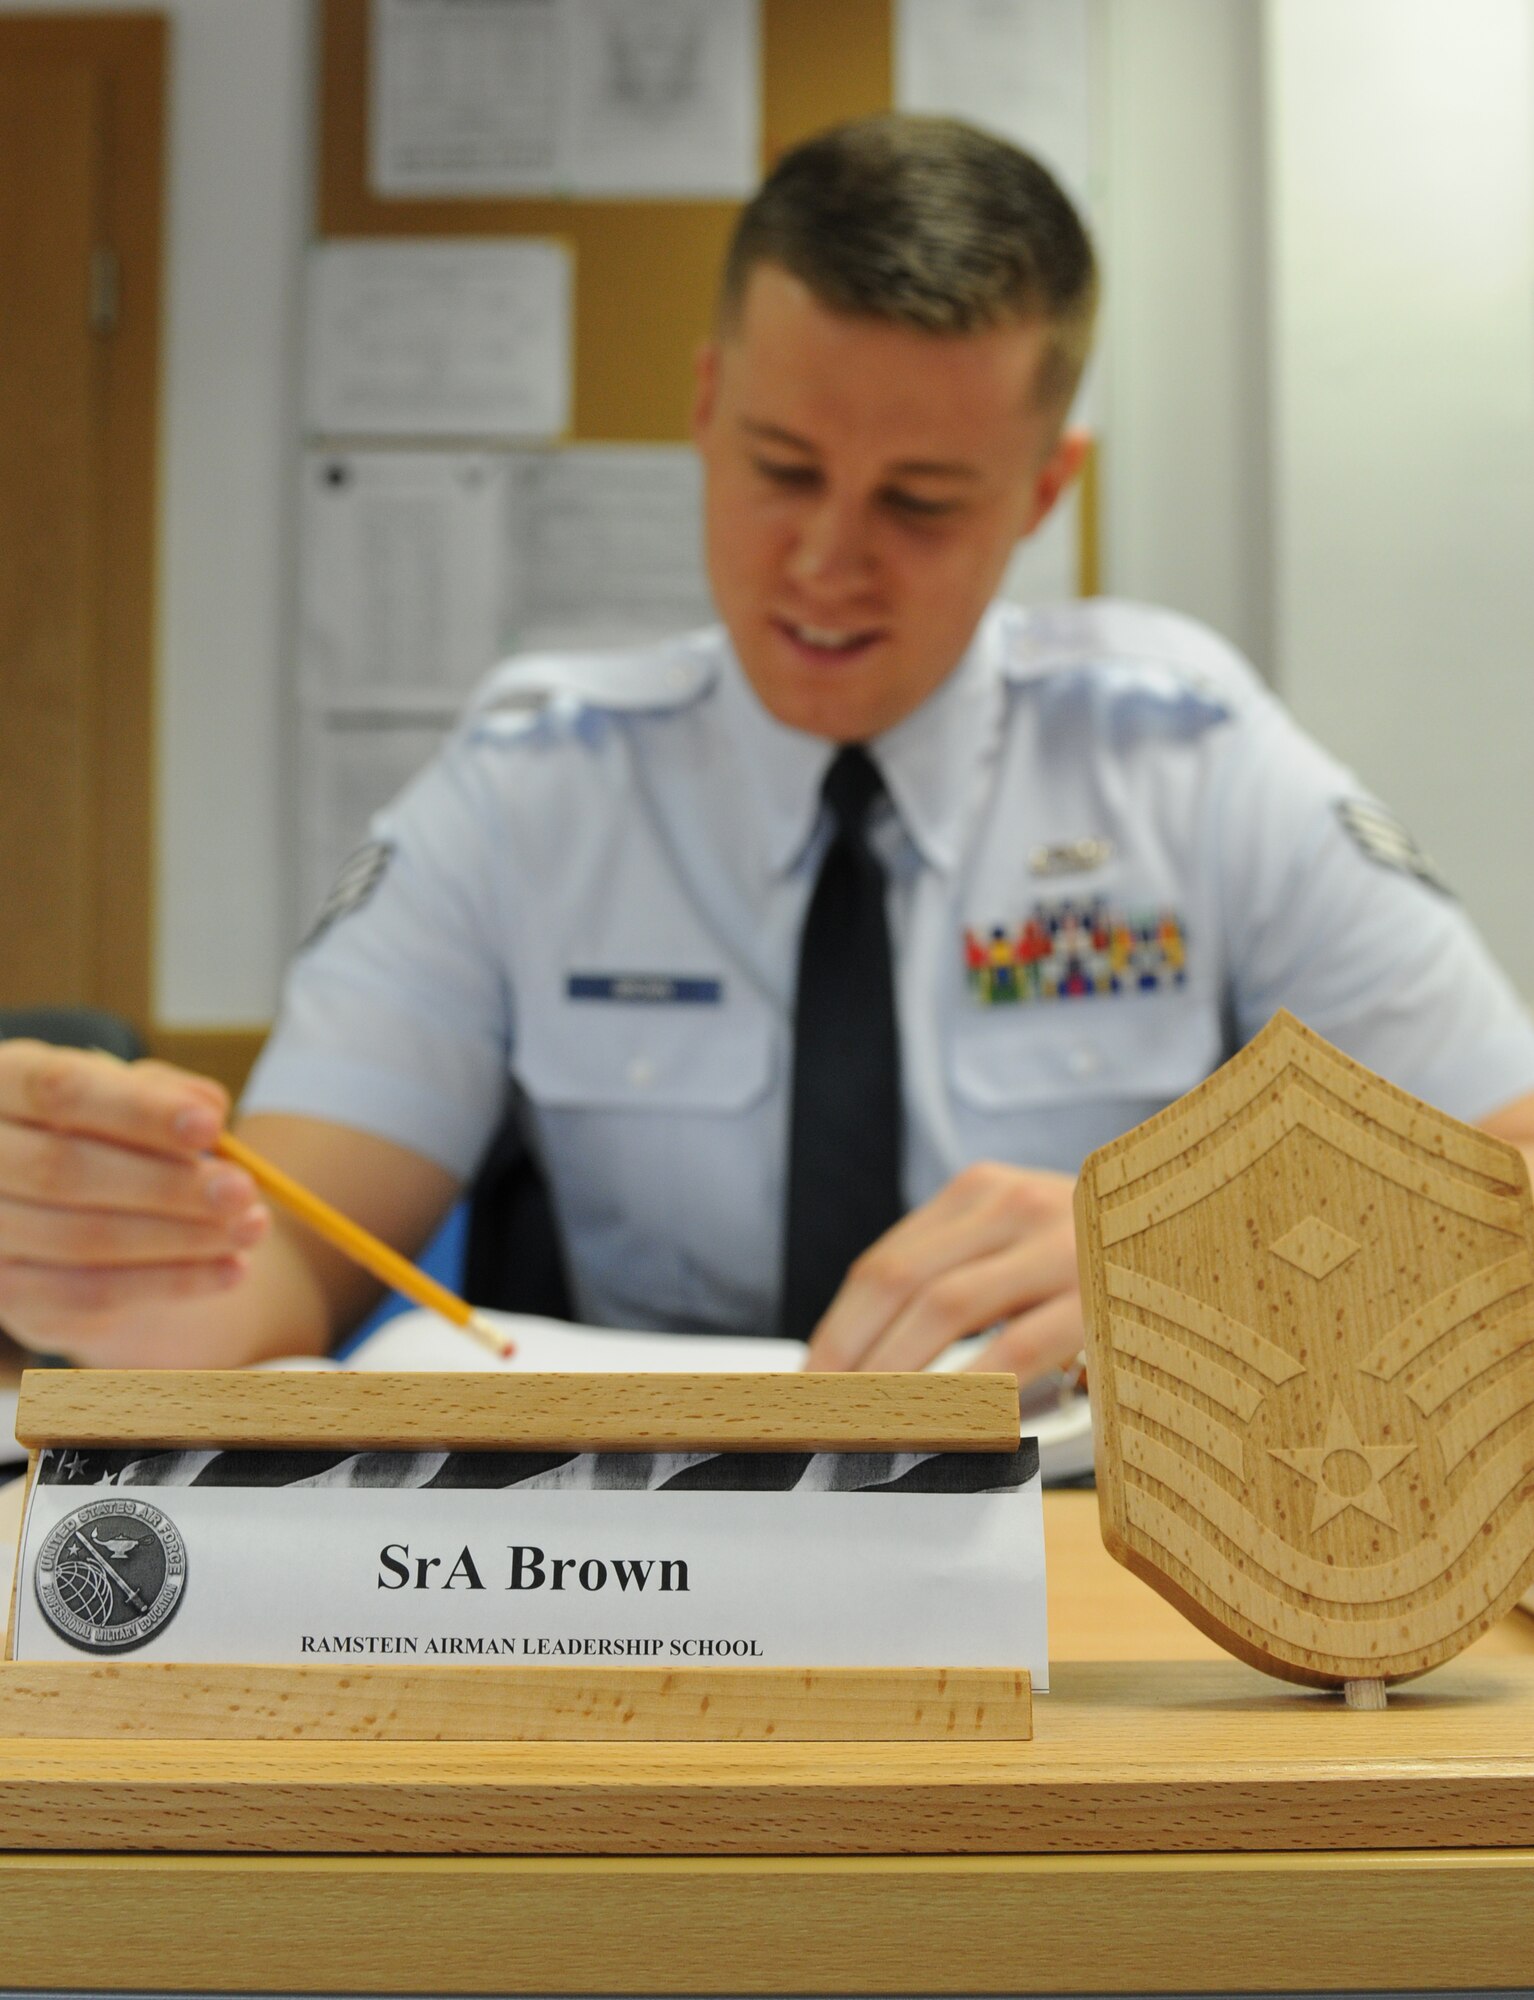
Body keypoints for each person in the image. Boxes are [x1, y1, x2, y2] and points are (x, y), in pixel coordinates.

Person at [3, 114, 1533, 1381]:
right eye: (781, 467)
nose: (823, 560)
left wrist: (1203, 1258)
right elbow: (283, 1259)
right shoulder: (534, 790)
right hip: (631, 1574)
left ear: (1042, 489)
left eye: (920, 501)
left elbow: (1503, 1175)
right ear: (705, 402)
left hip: (1086, 1556)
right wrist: (104, 1262)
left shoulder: (1187, 762)